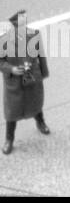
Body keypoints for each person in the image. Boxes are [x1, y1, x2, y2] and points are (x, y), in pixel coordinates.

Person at [0, 9, 50, 155]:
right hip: (14, 82)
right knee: (12, 112)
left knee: (35, 103)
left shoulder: (34, 35)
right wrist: (12, 69)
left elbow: (41, 56)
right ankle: (9, 138)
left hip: (32, 77)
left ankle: (40, 122)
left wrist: (43, 73)